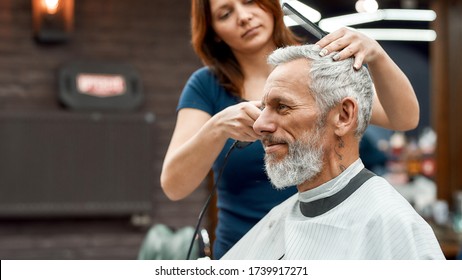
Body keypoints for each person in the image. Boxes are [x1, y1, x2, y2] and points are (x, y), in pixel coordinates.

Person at [160, 0, 420, 259]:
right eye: (225, 14)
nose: (243, 17)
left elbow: (405, 119)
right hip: (244, 251)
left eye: (250, 2)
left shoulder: (315, 68)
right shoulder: (206, 86)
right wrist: (216, 127)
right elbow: (174, 186)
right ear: (214, 32)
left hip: (321, 249)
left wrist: (376, 55)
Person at [221, 44, 444, 259]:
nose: (259, 125)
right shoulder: (281, 217)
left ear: (344, 116)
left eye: (282, 107)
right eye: (263, 108)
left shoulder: (390, 222)